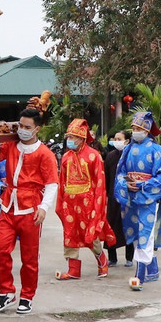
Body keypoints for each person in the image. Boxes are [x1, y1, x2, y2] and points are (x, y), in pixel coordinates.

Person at [0, 107, 58, 315]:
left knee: (29, 257)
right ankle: (6, 291)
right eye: (20, 126)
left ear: (37, 129)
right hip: (8, 205)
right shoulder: (10, 145)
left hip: (31, 208)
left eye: (27, 127)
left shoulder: (45, 154)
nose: (23, 130)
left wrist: (44, 207)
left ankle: (27, 296)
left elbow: (52, 183)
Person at [114, 111, 161, 291]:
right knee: (135, 233)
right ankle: (152, 269)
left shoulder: (156, 150)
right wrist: (125, 183)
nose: (135, 131)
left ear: (146, 130)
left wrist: (142, 185)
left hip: (147, 199)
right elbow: (121, 172)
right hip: (131, 198)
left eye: (138, 128)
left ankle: (140, 275)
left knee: (145, 233)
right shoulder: (128, 149)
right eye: (133, 128)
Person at [55, 119, 115, 281]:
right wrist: (61, 202)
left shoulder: (94, 156)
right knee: (69, 234)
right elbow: (62, 181)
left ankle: (102, 260)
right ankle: (73, 270)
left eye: (72, 137)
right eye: (68, 137)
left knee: (91, 233)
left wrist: (98, 203)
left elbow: (100, 182)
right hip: (69, 202)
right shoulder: (66, 157)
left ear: (81, 138)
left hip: (87, 202)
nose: (69, 140)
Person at [104, 130, 134, 267]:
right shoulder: (110, 156)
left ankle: (129, 257)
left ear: (127, 141)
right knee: (111, 226)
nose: (116, 141)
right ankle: (112, 257)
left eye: (119, 139)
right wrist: (105, 195)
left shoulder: (132, 156)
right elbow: (106, 177)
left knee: (128, 226)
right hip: (113, 197)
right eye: (115, 139)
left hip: (128, 197)